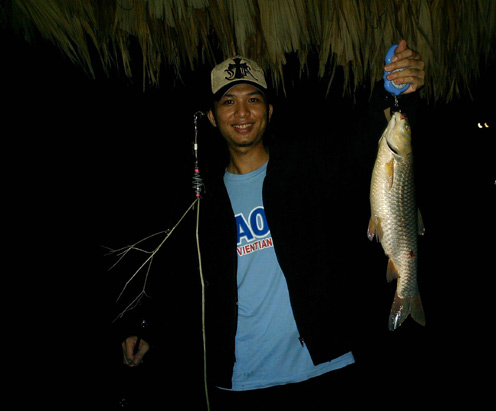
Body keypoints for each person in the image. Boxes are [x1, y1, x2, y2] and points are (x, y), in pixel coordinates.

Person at [119, 39, 425, 410]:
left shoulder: (306, 171)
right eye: (228, 102)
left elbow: (364, 145)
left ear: (269, 110)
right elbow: (176, 277)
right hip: (243, 382)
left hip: (326, 368)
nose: (242, 112)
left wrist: (395, 92)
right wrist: (146, 327)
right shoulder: (201, 202)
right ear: (213, 116)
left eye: (253, 99)